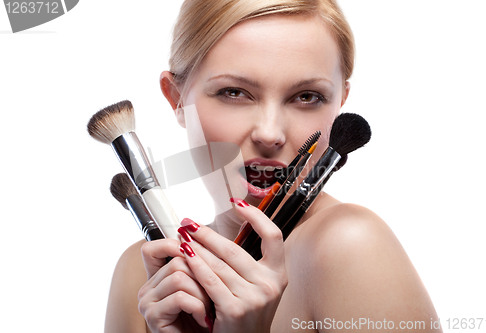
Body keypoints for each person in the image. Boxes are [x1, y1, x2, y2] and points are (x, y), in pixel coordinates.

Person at [104, 0, 441, 332]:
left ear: (340, 103)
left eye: (306, 96)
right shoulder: (144, 273)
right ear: (176, 98)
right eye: (234, 92)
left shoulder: (351, 246)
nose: (269, 133)